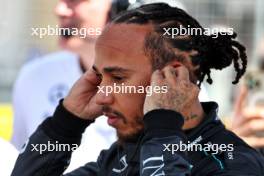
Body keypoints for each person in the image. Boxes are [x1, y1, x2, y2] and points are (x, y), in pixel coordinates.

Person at [11, 3, 264, 175]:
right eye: (99, 78)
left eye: (118, 78)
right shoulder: (118, 159)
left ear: (173, 75)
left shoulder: (232, 163)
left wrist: (164, 127)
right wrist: (64, 126)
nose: (102, 96)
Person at [11, 0, 130, 171]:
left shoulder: (159, 88)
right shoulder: (35, 76)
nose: (59, 10)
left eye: (74, 2)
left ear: (121, 9)